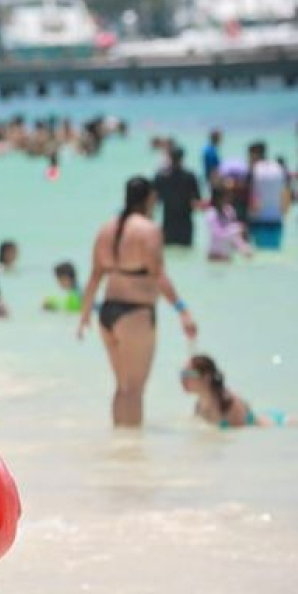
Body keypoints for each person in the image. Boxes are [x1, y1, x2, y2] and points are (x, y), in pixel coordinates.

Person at [77, 176, 198, 428]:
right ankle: (132, 456)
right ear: (150, 198)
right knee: (134, 389)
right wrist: (182, 310)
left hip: (107, 314)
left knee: (122, 387)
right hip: (136, 314)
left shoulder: (106, 228)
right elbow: (159, 275)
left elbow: (94, 276)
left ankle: (121, 446)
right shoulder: (148, 230)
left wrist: (85, 315)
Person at [180, 355, 285, 428]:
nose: (182, 379)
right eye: (181, 374)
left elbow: (242, 442)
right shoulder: (199, 405)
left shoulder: (229, 403)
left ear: (206, 377)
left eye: (188, 374)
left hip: (279, 424)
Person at [153, 145, 203, 249]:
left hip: (168, 223)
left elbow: (155, 199)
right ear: (182, 158)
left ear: (170, 157)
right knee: (186, 251)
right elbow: (197, 200)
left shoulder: (161, 176)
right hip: (185, 223)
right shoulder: (189, 176)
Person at [246, 141, 291, 250]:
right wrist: (283, 213)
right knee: (273, 254)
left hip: (258, 218)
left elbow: (252, 195)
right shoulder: (278, 167)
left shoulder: (254, 170)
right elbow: (286, 192)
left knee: (259, 257)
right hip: (277, 218)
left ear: (255, 154)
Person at [205, 182, 253, 262]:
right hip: (214, 257)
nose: (229, 197)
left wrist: (244, 249)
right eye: (226, 195)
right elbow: (217, 234)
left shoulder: (230, 211)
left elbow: (235, 237)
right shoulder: (211, 213)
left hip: (227, 257)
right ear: (218, 198)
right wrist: (236, 228)